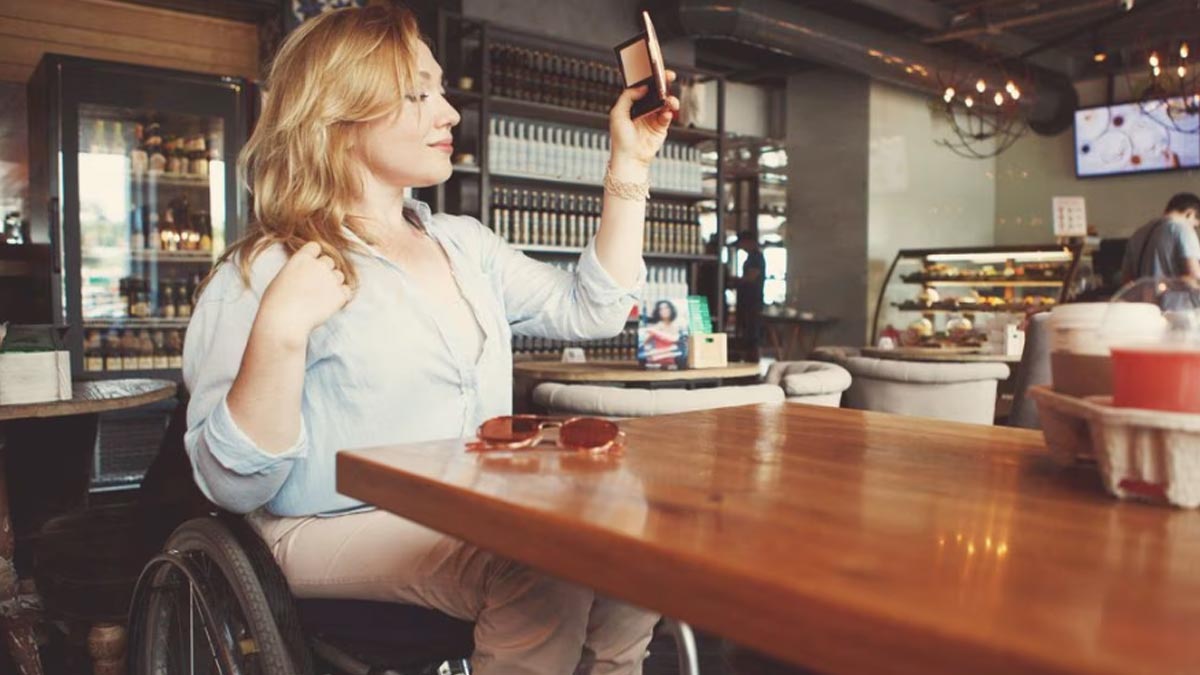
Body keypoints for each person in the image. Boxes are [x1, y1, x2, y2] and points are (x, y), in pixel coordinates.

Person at [182, 6, 680, 674]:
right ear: (340, 110)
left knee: (628, 549)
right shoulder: (267, 269)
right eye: (419, 93)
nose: (449, 113)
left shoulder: (462, 243)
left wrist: (630, 162)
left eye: (441, 91)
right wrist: (279, 333)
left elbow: (592, 309)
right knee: (542, 566)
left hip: (466, 513)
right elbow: (233, 484)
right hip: (322, 527)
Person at [1121, 192, 1200, 283]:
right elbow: (1194, 277)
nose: (1194, 229)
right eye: (1195, 226)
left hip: (1144, 296)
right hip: (1175, 297)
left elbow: (1127, 282)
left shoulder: (1138, 234)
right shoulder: (1183, 229)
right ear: (1189, 213)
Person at [731, 230, 765, 359]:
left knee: (752, 331)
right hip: (748, 300)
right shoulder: (751, 257)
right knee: (747, 329)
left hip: (752, 300)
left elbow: (751, 277)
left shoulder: (756, 257)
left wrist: (736, 280)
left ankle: (752, 359)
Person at [642, 299, 683, 367]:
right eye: (661, 309)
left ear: (671, 310)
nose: (664, 311)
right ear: (658, 312)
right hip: (656, 362)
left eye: (666, 308)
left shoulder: (676, 326)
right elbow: (644, 343)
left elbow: (675, 340)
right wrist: (649, 350)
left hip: (672, 362)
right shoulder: (656, 327)